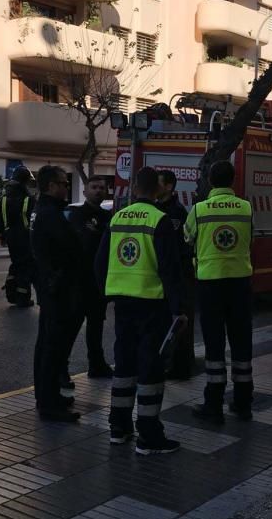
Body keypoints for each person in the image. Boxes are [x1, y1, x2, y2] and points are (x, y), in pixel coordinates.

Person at [95, 167, 185, 455]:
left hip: (122, 302)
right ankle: (149, 435)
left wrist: (105, 293)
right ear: (158, 190)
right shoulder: (160, 220)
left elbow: (100, 263)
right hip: (152, 304)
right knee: (150, 368)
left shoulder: (117, 218)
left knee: (123, 365)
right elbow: (170, 269)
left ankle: (118, 428)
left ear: (134, 189)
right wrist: (178, 309)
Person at [184, 161, 254, 423]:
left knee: (215, 345)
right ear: (233, 180)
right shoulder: (246, 207)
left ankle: (213, 403)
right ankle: (243, 402)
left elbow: (187, 239)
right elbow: (251, 238)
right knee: (241, 342)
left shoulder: (200, 210)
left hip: (210, 284)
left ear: (211, 182)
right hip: (240, 283)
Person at [31, 165, 84, 422]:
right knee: (52, 347)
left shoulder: (45, 210)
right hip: (57, 288)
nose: (66, 187)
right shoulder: (50, 214)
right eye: (63, 183)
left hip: (51, 286)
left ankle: (47, 395)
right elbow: (68, 248)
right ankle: (48, 403)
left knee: (47, 345)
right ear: (52, 186)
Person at [67, 175, 114, 379]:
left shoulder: (108, 216)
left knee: (96, 326)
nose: (98, 191)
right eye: (93, 187)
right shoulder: (77, 214)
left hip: (98, 283)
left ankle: (97, 363)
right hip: (79, 280)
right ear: (85, 191)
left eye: (101, 188)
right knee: (72, 327)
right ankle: (61, 369)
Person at [156, 169, 196, 380]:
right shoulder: (158, 209)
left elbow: (180, 248)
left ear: (169, 187)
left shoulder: (176, 213)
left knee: (180, 324)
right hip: (163, 277)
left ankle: (181, 368)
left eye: (159, 183)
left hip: (179, 276)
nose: (155, 186)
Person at [0, 166, 35, 307]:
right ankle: (22, 298)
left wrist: (2, 236)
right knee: (25, 267)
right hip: (25, 238)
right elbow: (33, 220)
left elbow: (0, 219)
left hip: (10, 237)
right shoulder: (28, 199)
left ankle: (11, 293)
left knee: (16, 265)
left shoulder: (5, 198)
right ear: (25, 181)